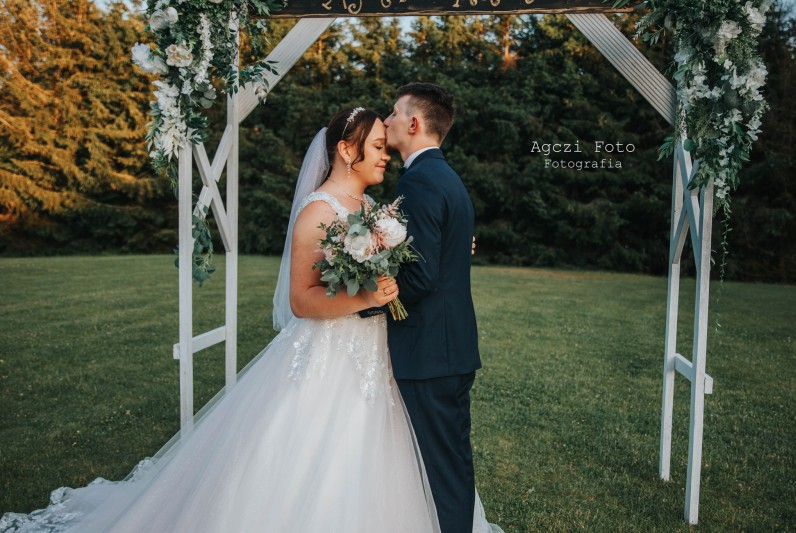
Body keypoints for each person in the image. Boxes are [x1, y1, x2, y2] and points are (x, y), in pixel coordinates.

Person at [1, 108, 442, 532]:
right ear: (347, 150)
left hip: (369, 352)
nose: (386, 155)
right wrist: (366, 297)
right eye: (378, 147)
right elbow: (301, 301)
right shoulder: (318, 211)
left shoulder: (371, 207)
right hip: (327, 355)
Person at [384, 83, 496, 533]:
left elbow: (420, 277)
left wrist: (368, 301)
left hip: (431, 351)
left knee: (443, 471)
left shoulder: (420, 181)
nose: (386, 120)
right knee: (446, 464)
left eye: (393, 112)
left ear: (414, 123)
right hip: (446, 348)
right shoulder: (443, 175)